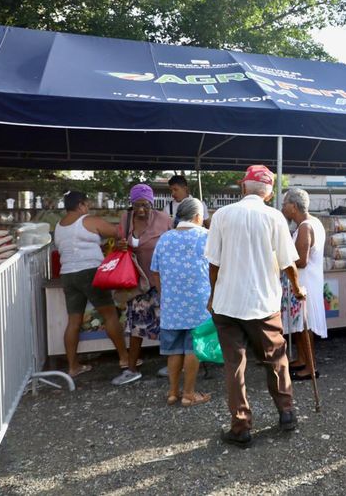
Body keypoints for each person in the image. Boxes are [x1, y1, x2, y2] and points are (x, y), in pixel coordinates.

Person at [205, 164, 305, 449]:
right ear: (269, 191)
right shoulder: (275, 218)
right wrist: (298, 290)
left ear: (242, 186)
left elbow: (213, 264)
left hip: (228, 303)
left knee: (234, 366)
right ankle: (286, 413)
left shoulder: (221, 216)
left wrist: (213, 295)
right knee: (276, 359)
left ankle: (241, 426)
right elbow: (289, 264)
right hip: (264, 303)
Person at [53, 191, 129, 377]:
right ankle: (125, 359)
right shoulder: (87, 220)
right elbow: (118, 232)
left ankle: (73, 367)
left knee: (74, 322)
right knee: (110, 315)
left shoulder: (59, 226)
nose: (88, 208)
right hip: (89, 272)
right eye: (86, 205)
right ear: (80, 205)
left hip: (67, 275)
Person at [149, 198, 212, 407]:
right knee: (193, 347)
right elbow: (217, 267)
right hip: (199, 301)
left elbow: (155, 271)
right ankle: (189, 394)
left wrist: (164, 292)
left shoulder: (165, 238)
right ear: (197, 217)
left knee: (174, 350)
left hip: (172, 303)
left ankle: (173, 393)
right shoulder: (205, 236)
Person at [112, 183, 172, 385]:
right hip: (137, 281)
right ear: (131, 204)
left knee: (168, 323)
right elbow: (118, 245)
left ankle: (173, 363)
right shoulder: (126, 219)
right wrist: (120, 245)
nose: (141, 210)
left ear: (152, 204)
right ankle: (131, 368)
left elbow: (174, 242)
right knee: (136, 325)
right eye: (137, 205)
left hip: (161, 280)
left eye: (145, 205)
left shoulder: (164, 219)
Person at [281, 188, 327, 381]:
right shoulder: (312, 223)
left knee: (305, 325)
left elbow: (301, 261)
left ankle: (310, 366)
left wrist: (280, 259)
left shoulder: (306, 227)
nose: (283, 208)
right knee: (299, 325)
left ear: (293, 206)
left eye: (284, 205)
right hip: (305, 281)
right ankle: (302, 360)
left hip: (304, 283)